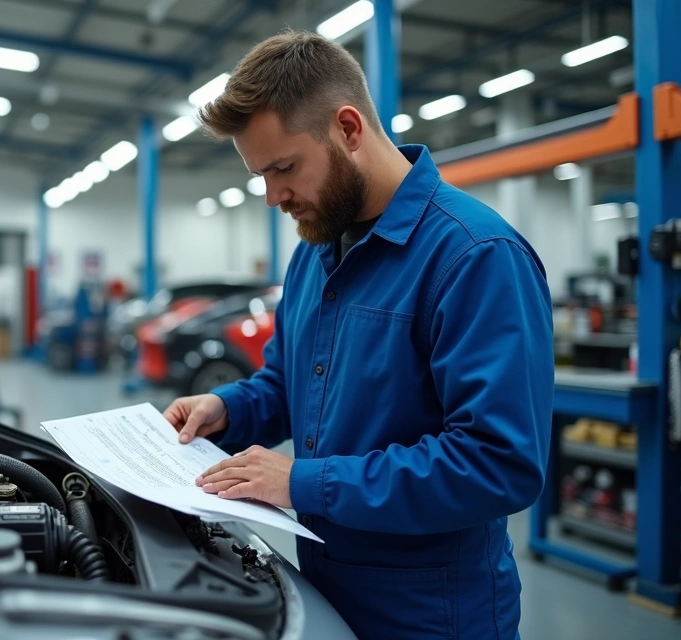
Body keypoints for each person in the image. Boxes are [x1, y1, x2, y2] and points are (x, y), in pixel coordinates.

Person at [163, 29, 553, 640]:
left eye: (284, 168)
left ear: (348, 129)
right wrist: (225, 409)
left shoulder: (474, 256)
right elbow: (290, 384)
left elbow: (497, 463)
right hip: (324, 592)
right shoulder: (313, 252)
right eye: (260, 176)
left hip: (432, 616)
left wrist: (301, 483)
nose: (273, 197)